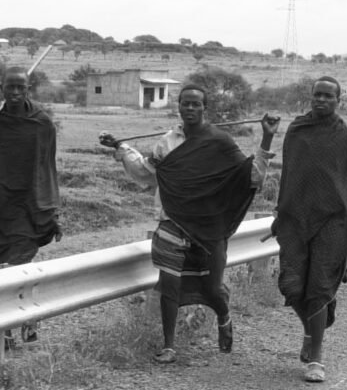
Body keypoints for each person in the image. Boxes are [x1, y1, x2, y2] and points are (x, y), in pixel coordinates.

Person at [99, 86, 278, 364]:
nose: (190, 108)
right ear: (179, 107)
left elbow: (252, 177)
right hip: (172, 221)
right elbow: (146, 172)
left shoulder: (219, 141)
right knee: (169, 286)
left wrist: (267, 137)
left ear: (205, 108)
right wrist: (121, 148)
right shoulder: (167, 142)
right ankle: (169, 346)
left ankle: (223, 315)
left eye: (196, 104)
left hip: (208, 228)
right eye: (186, 103)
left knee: (213, 289)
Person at [272, 76, 347, 383]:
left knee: (318, 288)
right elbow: (289, 176)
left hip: (332, 222)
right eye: (318, 94)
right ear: (311, 96)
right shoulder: (297, 131)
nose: (322, 100)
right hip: (295, 218)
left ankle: (316, 357)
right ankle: (311, 329)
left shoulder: (346, 137)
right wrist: (281, 213)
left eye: (329, 96)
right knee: (291, 285)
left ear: (337, 101)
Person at [0, 66, 62, 344]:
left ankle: (27, 319)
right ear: (1, 88)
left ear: (29, 89)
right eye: (11, 87)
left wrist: (52, 209)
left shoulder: (41, 123)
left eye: (21, 87)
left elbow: (47, 168)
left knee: (21, 263)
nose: (16, 92)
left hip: (26, 205)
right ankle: (0, 331)